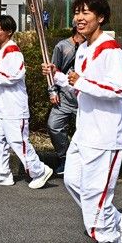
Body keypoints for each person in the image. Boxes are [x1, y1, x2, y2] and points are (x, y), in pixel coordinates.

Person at [41, 0, 122, 243]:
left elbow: (118, 89)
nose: (79, 18)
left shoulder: (111, 50)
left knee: (97, 191)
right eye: (77, 13)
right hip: (85, 130)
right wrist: (57, 76)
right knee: (72, 180)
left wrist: (79, 81)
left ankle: (109, 241)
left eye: (86, 13)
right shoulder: (83, 48)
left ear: (100, 17)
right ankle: (117, 221)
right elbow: (77, 81)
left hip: (105, 134)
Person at [0, 15, 53, 189]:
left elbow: (14, 76)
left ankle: (40, 171)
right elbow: (3, 77)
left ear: (9, 32)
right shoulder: (1, 50)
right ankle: (2, 173)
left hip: (14, 107)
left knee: (18, 141)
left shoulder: (13, 51)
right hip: (0, 105)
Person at [47, 27, 86, 176]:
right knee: (53, 126)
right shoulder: (62, 46)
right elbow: (53, 70)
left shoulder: (90, 47)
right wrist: (52, 91)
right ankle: (65, 158)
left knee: (84, 131)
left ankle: (81, 163)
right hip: (64, 97)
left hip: (83, 98)